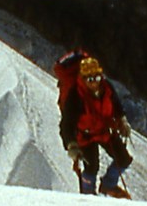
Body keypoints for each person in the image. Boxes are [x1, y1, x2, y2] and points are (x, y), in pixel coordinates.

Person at [56, 50, 132, 196]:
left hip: (104, 131)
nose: (95, 82)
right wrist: (71, 145)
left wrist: (122, 120)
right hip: (85, 136)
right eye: (90, 79)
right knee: (92, 167)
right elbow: (66, 124)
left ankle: (108, 185)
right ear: (83, 79)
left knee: (123, 159)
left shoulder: (107, 87)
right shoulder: (76, 95)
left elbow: (116, 105)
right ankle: (88, 195)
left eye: (97, 77)